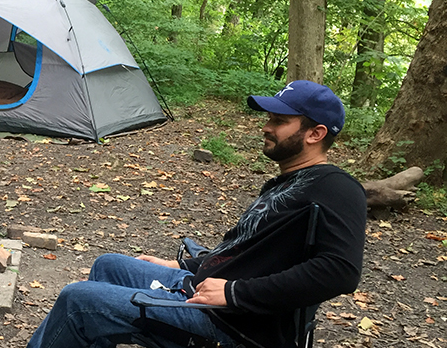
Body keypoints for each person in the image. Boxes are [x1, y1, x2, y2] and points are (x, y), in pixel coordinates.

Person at [27, 80, 368, 348]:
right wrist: (183, 266)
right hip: (201, 289)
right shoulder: (284, 183)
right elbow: (247, 251)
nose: (266, 127)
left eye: (279, 121)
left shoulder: (337, 188)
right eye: (268, 118)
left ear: (315, 133)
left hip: (229, 325)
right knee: (107, 265)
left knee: (78, 300)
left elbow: (341, 272)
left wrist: (235, 294)